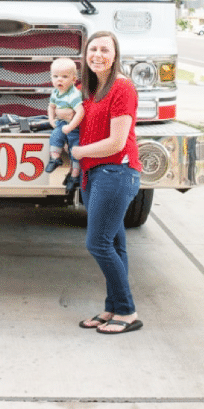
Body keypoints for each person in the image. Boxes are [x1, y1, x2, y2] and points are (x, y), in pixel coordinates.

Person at [72, 30, 143, 335]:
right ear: (85, 55)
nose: (97, 55)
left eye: (105, 50)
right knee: (114, 243)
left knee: (97, 243)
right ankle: (112, 308)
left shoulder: (122, 88)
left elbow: (116, 142)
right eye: (92, 50)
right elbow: (65, 107)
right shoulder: (87, 89)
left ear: (115, 56)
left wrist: (78, 151)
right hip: (94, 174)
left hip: (116, 172)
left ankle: (127, 312)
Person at [43, 57, 84, 193]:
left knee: (75, 150)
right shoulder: (55, 92)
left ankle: (74, 175)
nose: (59, 79)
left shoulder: (74, 94)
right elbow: (51, 107)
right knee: (55, 136)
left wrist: (71, 126)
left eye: (64, 76)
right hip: (61, 123)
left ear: (74, 79)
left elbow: (80, 112)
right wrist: (51, 120)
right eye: (55, 76)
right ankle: (55, 159)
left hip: (74, 128)